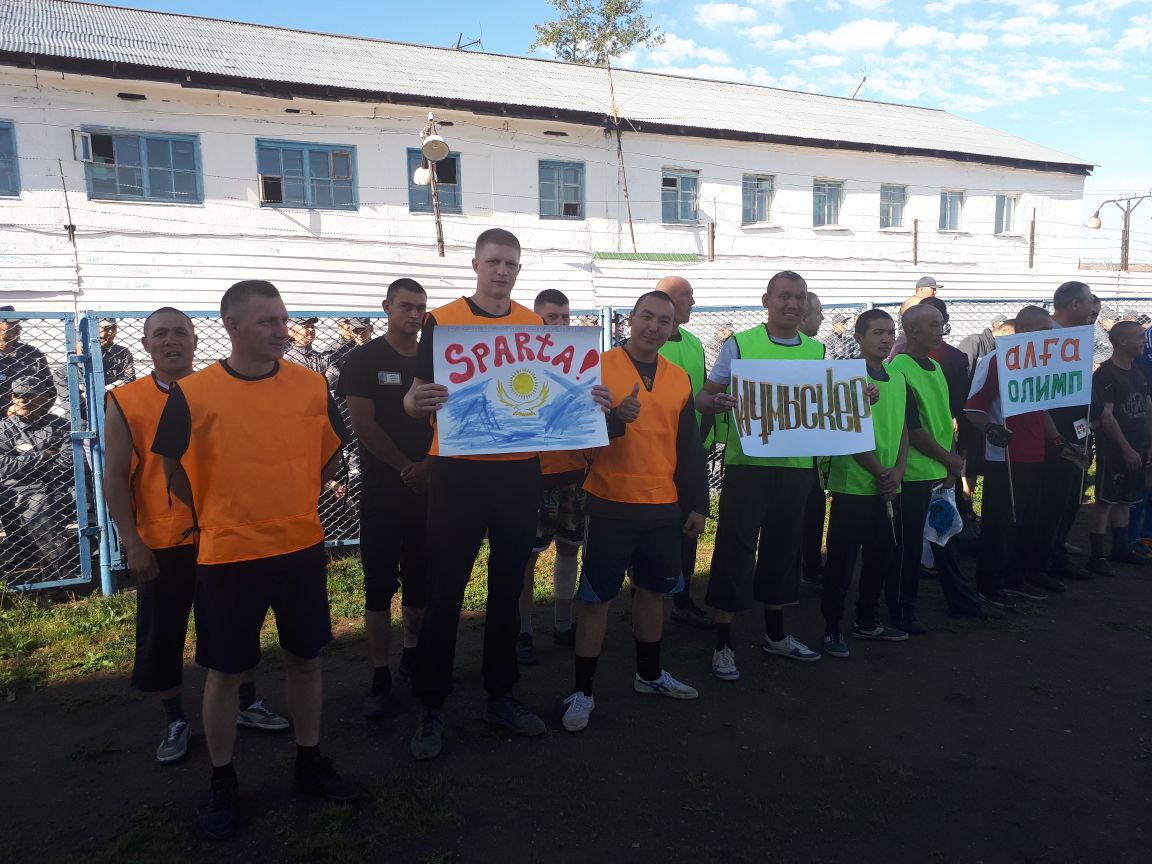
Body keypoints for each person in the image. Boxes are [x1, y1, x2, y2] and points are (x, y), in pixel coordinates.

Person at [153, 280, 359, 840]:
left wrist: (289, 499)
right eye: (268, 321)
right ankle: (222, 779)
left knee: (306, 660)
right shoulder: (194, 393)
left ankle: (309, 760)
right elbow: (172, 469)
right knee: (225, 672)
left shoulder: (311, 384)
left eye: (284, 319)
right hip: (228, 555)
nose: (281, 331)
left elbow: (329, 455)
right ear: (232, 326)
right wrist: (220, 514)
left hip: (299, 547)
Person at [403, 229, 610, 760]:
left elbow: (556, 390)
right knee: (446, 589)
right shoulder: (442, 320)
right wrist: (413, 403)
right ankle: (431, 702)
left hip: (518, 472)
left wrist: (591, 400)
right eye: (494, 261)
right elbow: (417, 393)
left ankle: (501, 692)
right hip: (458, 472)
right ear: (475, 263)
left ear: (518, 269)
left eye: (511, 263)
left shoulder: (533, 325)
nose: (502, 271)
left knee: (507, 586)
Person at [104, 307, 288, 765]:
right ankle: (175, 719)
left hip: (223, 535)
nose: (172, 341)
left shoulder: (219, 390)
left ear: (195, 341)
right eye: (161, 334)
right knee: (164, 632)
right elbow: (114, 476)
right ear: (146, 344)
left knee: (235, 625)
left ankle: (247, 704)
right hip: (163, 542)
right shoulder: (126, 400)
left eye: (181, 333)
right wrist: (133, 542)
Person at [560, 291, 709, 732]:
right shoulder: (597, 367)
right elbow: (572, 431)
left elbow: (689, 447)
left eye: (664, 321)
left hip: (663, 505)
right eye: (647, 316)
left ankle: (649, 674)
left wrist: (697, 503)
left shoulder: (679, 378)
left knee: (652, 592)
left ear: (673, 328)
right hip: (610, 501)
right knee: (596, 598)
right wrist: (614, 420)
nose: (653, 327)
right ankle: (582, 691)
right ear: (630, 319)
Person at [696, 271, 826, 680]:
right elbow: (703, 396)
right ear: (766, 300)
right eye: (784, 296)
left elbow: (825, 403)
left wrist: (861, 395)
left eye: (799, 297)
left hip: (796, 468)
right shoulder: (740, 344)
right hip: (747, 466)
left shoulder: (817, 350)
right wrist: (717, 401)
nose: (792, 304)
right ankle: (723, 642)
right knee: (735, 549)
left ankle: (776, 635)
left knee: (784, 551)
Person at [338, 281, 432, 718]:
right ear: (387, 308)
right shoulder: (364, 359)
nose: (414, 315)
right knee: (378, 585)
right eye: (406, 306)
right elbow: (363, 425)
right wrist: (406, 467)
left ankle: (412, 655)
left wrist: (429, 467)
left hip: (428, 487)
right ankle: (379, 674)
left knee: (420, 579)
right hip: (383, 490)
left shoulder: (435, 357)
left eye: (420, 308)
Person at [821, 310, 910, 656]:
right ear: (859, 338)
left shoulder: (898, 377)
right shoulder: (846, 377)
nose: (886, 338)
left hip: (889, 483)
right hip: (854, 484)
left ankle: (867, 621)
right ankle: (832, 627)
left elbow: (904, 427)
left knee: (880, 557)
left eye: (890, 332)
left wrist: (897, 470)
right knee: (842, 561)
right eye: (877, 332)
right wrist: (879, 471)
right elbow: (846, 430)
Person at [965, 306, 1060, 604]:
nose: (1049, 336)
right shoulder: (997, 360)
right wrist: (990, 427)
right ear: (1024, 330)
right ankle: (989, 583)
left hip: (1035, 453)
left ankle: (1016, 577)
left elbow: (1041, 408)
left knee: (1028, 521)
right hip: (1004, 456)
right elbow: (972, 408)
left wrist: (1057, 439)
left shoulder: (1040, 362)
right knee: (1000, 522)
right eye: (1044, 331)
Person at [888, 305, 970, 629]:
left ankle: (960, 600)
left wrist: (951, 465)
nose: (941, 330)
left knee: (945, 539)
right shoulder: (899, 370)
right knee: (907, 548)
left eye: (942, 324)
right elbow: (913, 429)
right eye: (933, 325)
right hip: (913, 475)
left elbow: (944, 421)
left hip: (940, 472)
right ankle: (902, 610)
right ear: (912, 331)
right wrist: (950, 460)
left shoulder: (935, 366)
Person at [518, 288, 588, 664]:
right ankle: (523, 631)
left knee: (569, 548)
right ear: (536, 321)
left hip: (574, 471)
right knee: (525, 557)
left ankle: (563, 623)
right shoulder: (521, 362)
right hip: (532, 475)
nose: (560, 324)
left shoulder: (582, 361)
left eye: (565, 317)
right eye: (551, 318)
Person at [654, 275, 713, 629]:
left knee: (689, 528)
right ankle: (644, 600)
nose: (693, 301)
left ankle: (683, 598)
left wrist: (704, 439)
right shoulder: (650, 343)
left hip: (690, 452)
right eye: (686, 295)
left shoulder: (694, 343)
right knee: (655, 530)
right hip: (655, 455)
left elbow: (702, 394)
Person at [1035, 281, 1097, 584]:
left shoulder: (1079, 337)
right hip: (1053, 436)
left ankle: (1056, 554)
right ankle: (1040, 563)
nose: (1093, 310)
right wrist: (1055, 435)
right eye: (1088, 303)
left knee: (1071, 497)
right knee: (1050, 500)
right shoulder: (1044, 336)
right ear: (1074, 304)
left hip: (1078, 430)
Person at [1087, 320, 1152, 575]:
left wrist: (1149, 444)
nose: (1144, 342)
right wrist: (1126, 449)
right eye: (1139, 337)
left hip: (1137, 448)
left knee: (1126, 499)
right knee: (1105, 501)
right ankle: (1096, 556)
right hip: (1114, 450)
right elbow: (1107, 417)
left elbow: (1147, 408)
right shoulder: (1106, 374)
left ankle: (1120, 548)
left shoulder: (1137, 372)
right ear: (1123, 341)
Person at [0, 376, 72, 578]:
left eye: (29, 395)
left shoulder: (61, 426)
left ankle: (56, 572)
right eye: (17, 395)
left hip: (57, 485)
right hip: (17, 488)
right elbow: (4, 466)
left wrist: (23, 463)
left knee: (44, 501)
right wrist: (43, 456)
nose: (22, 400)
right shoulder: (4, 429)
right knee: (36, 503)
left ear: (44, 398)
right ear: (12, 398)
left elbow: (67, 462)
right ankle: (55, 568)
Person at [0, 306, 51, 415]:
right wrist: (6, 412)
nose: (18, 327)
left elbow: (50, 389)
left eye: (18, 323)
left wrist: (36, 413)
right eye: (11, 323)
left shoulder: (32, 354)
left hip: (31, 418)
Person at [958, 315, 1013, 380]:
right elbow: (961, 372)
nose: (1014, 339)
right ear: (1004, 330)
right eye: (1013, 336)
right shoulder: (974, 341)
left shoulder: (1005, 349)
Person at [98, 318, 136, 388]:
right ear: (96, 328)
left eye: (114, 328)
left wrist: (106, 389)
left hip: (116, 392)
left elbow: (129, 378)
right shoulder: (85, 352)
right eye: (107, 328)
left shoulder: (123, 352)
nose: (111, 332)